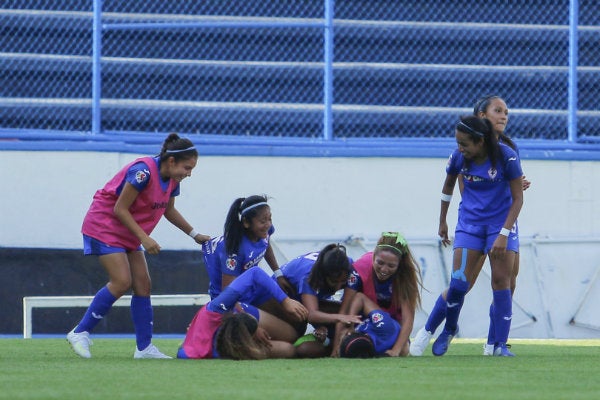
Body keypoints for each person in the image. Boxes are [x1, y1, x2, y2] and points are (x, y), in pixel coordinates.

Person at [67, 133, 210, 359]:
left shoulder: (173, 180)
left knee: (143, 284)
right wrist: (144, 238)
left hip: (129, 231)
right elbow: (120, 209)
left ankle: (144, 348)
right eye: (187, 167)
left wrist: (194, 234)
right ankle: (80, 331)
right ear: (171, 161)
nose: (189, 173)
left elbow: (169, 210)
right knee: (122, 281)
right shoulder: (143, 171)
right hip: (104, 225)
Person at [410, 95, 530, 357]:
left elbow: (513, 187)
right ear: (482, 116)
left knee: (506, 282)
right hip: (474, 223)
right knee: (461, 283)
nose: (504, 116)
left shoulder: (509, 150)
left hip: (503, 223)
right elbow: (464, 188)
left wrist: (515, 187)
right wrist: (445, 220)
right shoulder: (464, 151)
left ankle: (495, 343)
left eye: (506, 111)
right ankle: (431, 331)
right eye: (498, 111)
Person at [177, 267, 308, 360]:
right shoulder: (207, 352)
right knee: (289, 350)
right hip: (234, 335)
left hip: (239, 313)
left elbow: (255, 273)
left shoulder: (218, 306)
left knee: (292, 335)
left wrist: (285, 300)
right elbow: (183, 353)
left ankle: (251, 325)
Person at [259, 244, 363, 358]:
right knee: (294, 335)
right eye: (334, 282)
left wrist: (335, 343)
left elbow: (344, 310)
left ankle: (335, 341)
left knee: (348, 311)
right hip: (273, 300)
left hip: (299, 301)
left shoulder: (350, 269)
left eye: (343, 282)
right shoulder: (309, 276)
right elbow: (311, 314)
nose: (339, 287)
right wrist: (338, 318)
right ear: (324, 275)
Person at [331, 232, 422, 357]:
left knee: (404, 350)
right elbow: (345, 309)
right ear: (373, 256)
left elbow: (408, 319)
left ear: (399, 265)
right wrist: (336, 346)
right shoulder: (359, 270)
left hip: (391, 325)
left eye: (391, 266)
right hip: (363, 320)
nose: (384, 270)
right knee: (349, 344)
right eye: (380, 263)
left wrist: (395, 350)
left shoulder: (405, 277)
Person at [202, 195, 294, 300]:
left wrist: (278, 274)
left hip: (249, 288)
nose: (268, 224)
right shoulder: (234, 251)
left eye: (270, 219)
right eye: (263, 221)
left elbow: (265, 245)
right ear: (246, 222)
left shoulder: (264, 231)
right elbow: (227, 293)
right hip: (227, 299)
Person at [337, 293, 403, 358]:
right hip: (387, 325)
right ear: (366, 335)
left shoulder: (382, 327)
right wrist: (350, 325)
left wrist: (349, 327)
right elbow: (360, 297)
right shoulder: (383, 325)